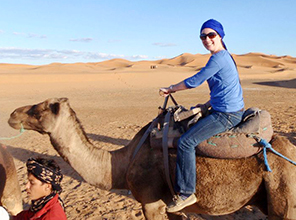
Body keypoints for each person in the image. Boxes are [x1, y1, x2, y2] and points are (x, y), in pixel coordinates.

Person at [159, 19, 245, 212]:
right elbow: (227, 87)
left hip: (227, 115)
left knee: (185, 142)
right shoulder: (224, 57)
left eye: (211, 35)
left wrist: (170, 89)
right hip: (221, 109)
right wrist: (207, 105)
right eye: (203, 36)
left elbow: (195, 81)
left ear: (220, 36)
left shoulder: (219, 58)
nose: (207, 39)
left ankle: (186, 193)